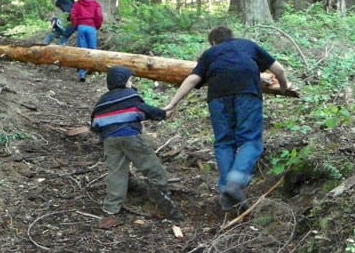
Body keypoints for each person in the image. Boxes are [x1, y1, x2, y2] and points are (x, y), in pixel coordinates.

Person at [164, 26, 290, 211]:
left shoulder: (210, 53)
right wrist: (283, 87)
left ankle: (226, 191)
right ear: (232, 37)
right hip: (247, 94)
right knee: (250, 141)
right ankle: (235, 182)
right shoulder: (248, 46)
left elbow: (192, 80)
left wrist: (172, 104)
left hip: (218, 98)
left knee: (224, 142)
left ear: (214, 42)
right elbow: (279, 70)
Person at [91, 66, 182, 220]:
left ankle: (111, 206)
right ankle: (161, 193)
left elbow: (95, 124)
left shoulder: (102, 101)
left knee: (116, 172)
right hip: (130, 136)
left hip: (109, 140)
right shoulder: (130, 96)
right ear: (124, 81)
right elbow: (143, 110)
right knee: (150, 165)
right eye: (130, 80)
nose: (131, 83)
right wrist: (163, 114)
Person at [70, 0, 104, 82]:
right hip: (91, 27)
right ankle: (92, 69)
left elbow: (73, 15)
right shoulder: (95, 4)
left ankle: (82, 74)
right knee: (92, 49)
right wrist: (96, 26)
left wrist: (76, 25)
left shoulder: (77, 4)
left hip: (81, 27)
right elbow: (99, 16)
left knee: (82, 50)